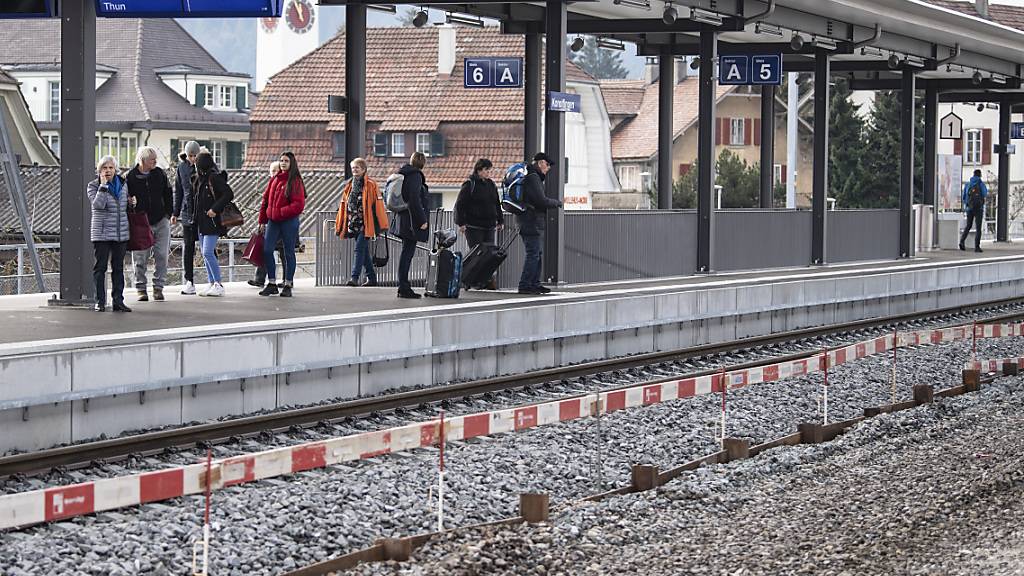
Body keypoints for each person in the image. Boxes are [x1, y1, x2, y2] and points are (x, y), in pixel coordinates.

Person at [87, 156, 135, 312]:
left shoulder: (123, 185)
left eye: (111, 168)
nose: (108, 171)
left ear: (115, 170)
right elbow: (98, 205)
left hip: (120, 232)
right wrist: (103, 186)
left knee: (118, 268)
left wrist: (131, 203)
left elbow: (124, 208)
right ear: (99, 170)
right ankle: (99, 301)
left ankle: (118, 301)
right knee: (100, 268)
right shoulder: (93, 186)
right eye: (104, 168)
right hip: (101, 233)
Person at [126, 147, 173, 302]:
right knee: (140, 257)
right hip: (141, 221)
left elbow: (168, 193)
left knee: (162, 255)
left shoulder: (160, 174)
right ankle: (141, 288)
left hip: (161, 220)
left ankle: (158, 287)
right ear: (143, 160)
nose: (155, 161)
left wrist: (168, 213)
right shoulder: (130, 177)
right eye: (152, 159)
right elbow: (124, 198)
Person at [258, 151, 306, 297]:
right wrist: (262, 220)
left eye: (286, 161)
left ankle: (288, 284)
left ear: (291, 163)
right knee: (267, 250)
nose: (283, 163)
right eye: (281, 160)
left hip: (288, 221)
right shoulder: (274, 180)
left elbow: (298, 204)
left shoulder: (295, 181)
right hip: (273, 221)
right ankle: (271, 282)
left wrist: (280, 212)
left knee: (288, 252)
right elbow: (265, 200)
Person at [336, 157, 389, 287]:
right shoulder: (349, 184)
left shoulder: (371, 184)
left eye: (357, 168)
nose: (354, 170)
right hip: (353, 222)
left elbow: (378, 204)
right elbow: (344, 204)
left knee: (359, 249)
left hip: (366, 222)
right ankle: (371, 278)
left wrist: (381, 224)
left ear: (364, 169)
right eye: (353, 168)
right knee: (363, 251)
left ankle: (354, 277)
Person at [517, 152, 563, 295]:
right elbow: (540, 200)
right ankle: (525, 285)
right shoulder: (533, 178)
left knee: (537, 253)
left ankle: (534, 284)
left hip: (531, 220)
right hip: (531, 221)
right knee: (533, 253)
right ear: (541, 162)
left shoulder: (532, 177)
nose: (548, 168)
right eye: (547, 165)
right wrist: (556, 203)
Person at [454, 158, 503, 290]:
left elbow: (496, 203)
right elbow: (460, 205)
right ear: (479, 170)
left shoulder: (491, 184)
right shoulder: (470, 185)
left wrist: (500, 219)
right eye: (486, 170)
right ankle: (469, 280)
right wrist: (461, 223)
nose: (488, 173)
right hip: (473, 226)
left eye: (489, 170)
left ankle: (484, 280)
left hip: (489, 225)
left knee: (490, 255)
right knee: (476, 255)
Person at [192, 152, 234, 297]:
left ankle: (218, 283)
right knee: (205, 254)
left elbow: (228, 194)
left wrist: (215, 209)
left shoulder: (213, 177)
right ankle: (211, 283)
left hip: (212, 221)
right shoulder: (199, 179)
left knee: (207, 252)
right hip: (202, 222)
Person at [395, 152, 430, 299]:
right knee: (407, 254)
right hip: (411, 221)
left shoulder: (403, 174)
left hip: (403, 218)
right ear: (422, 163)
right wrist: (422, 220)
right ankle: (404, 287)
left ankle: (403, 286)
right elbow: (415, 200)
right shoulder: (415, 176)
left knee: (406, 253)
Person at [249, 161, 286, 289]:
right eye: (272, 171)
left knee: (284, 253)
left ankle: (287, 280)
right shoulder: (270, 185)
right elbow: (264, 204)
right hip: (270, 222)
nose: (274, 173)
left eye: (276, 171)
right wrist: (261, 221)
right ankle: (259, 279)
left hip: (282, 223)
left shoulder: (285, 184)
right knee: (265, 250)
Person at [172, 140, 201, 295]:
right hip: (187, 212)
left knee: (207, 247)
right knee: (188, 247)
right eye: (190, 155)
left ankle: (214, 280)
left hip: (202, 213)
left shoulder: (206, 165)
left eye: (195, 155)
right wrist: (175, 213)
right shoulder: (181, 167)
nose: (192, 159)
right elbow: (179, 191)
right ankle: (189, 281)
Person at [959, 169, 989, 253]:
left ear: (973, 175)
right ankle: (977, 247)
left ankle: (962, 241)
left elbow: (964, 197)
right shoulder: (981, 184)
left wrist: (968, 205)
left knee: (968, 226)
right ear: (980, 175)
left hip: (969, 208)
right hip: (979, 208)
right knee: (978, 228)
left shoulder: (968, 184)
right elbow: (985, 194)